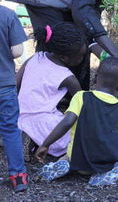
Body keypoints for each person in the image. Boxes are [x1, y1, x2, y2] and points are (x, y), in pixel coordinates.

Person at [35, 57, 118, 186]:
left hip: (77, 160)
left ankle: (63, 164)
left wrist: (45, 144)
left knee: (69, 152)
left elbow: (67, 122)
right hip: (103, 163)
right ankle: (111, 172)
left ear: (96, 78)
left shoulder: (81, 97)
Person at [17, 23, 84, 159]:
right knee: (77, 132)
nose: (82, 59)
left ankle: (27, 136)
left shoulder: (35, 57)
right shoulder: (67, 77)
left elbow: (16, 84)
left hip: (18, 116)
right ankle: (36, 139)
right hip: (45, 124)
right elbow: (83, 103)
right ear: (64, 58)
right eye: (80, 56)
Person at [0, 0, 28, 192]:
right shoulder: (8, 15)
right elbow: (17, 51)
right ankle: (18, 176)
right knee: (10, 129)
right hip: (5, 86)